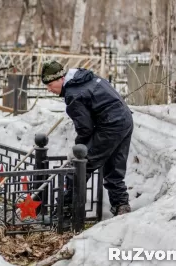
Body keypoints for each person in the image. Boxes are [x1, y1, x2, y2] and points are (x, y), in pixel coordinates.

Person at [41, 60, 134, 216]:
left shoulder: (73, 94)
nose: (49, 89)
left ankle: (67, 210)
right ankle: (121, 206)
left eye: (50, 85)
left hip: (110, 124)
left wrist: (78, 150)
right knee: (114, 166)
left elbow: (85, 128)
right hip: (125, 120)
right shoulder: (83, 78)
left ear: (60, 79)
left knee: (80, 165)